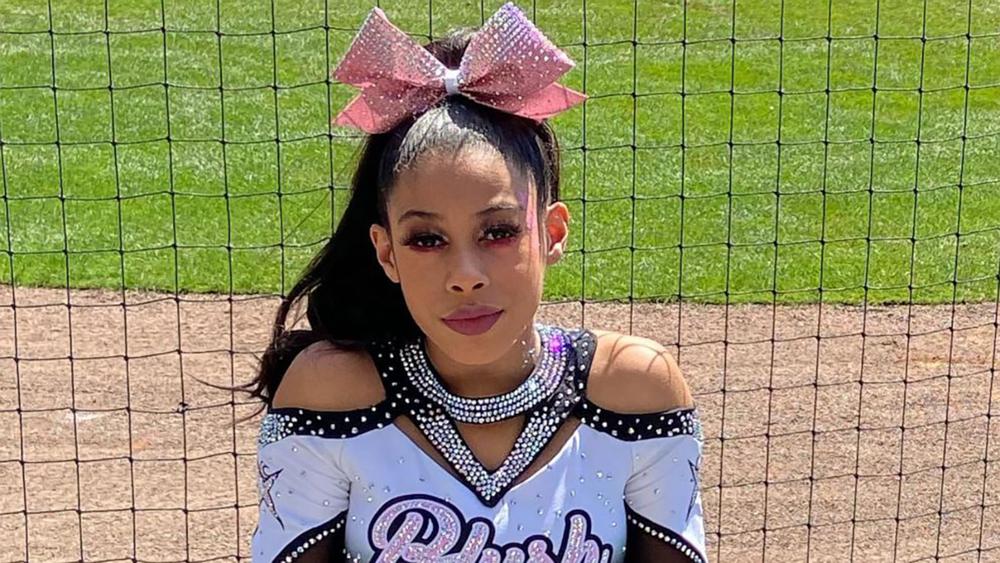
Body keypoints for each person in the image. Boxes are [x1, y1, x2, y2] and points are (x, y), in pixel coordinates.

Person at [241, 3, 707, 561]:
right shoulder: (332, 391)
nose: (465, 276)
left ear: (552, 232)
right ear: (386, 252)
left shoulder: (635, 387)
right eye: (426, 240)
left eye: (499, 232)